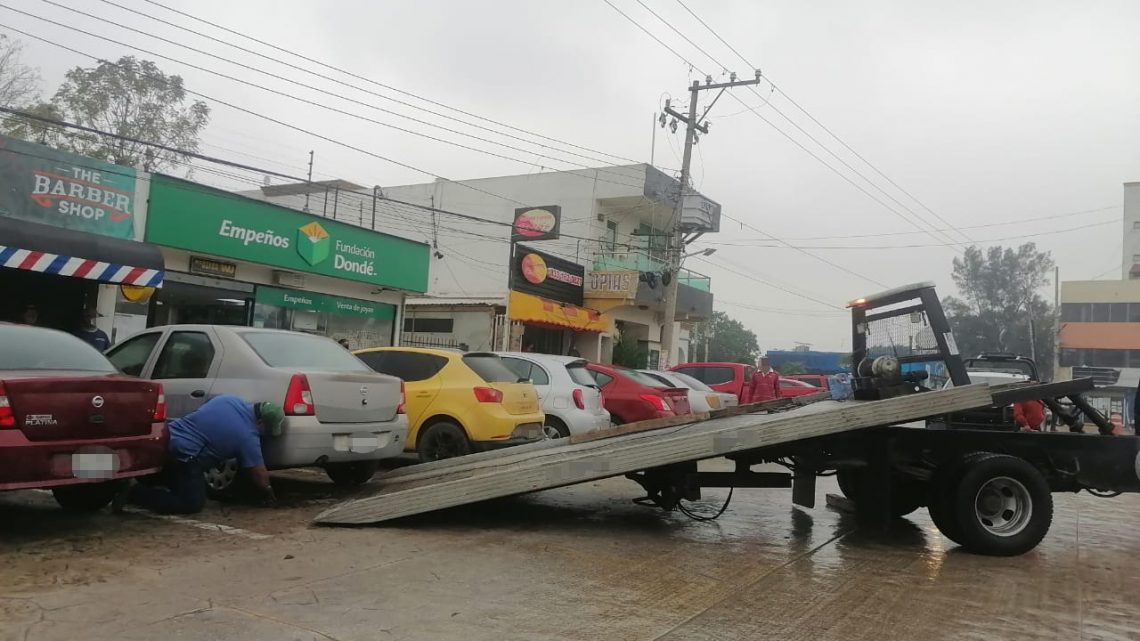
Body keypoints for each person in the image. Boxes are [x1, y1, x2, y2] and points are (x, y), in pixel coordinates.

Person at [115, 394, 285, 515]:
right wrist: (269, 493)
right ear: (260, 422)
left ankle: (142, 481)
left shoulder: (229, 399)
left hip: (166, 438)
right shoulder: (248, 437)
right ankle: (134, 493)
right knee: (191, 503)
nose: (265, 434)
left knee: (171, 475)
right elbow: (259, 473)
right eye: (266, 429)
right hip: (184, 456)